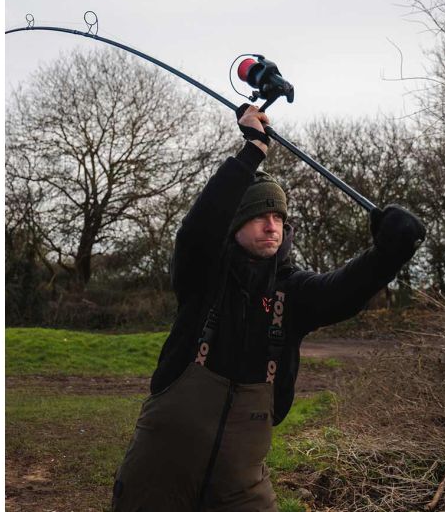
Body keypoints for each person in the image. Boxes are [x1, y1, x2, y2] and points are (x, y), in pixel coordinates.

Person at [111, 104, 426, 512]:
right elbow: (198, 230)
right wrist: (251, 154)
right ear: (235, 223)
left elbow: (344, 291)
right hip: (161, 467)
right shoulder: (202, 273)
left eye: (278, 216)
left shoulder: (292, 292)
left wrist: (389, 254)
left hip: (242, 480)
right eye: (259, 215)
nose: (271, 225)